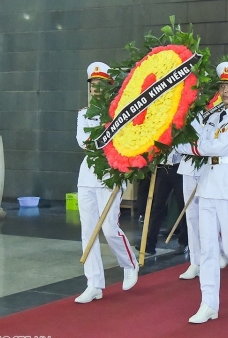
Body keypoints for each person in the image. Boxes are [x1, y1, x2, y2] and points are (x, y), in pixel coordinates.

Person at [179, 62, 228, 323]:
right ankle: (208, 302)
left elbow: (218, 147)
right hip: (209, 182)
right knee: (209, 247)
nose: (225, 90)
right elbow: (201, 140)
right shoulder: (212, 116)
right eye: (222, 86)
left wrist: (190, 147)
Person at [75, 62, 138, 303]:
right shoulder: (83, 114)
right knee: (87, 232)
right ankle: (94, 283)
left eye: (101, 84)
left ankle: (129, 263)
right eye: (93, 84)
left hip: (110, 175)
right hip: (87, 177)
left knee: (110, 229)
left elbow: (116, 144)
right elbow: (85, 142)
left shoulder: (118, 116)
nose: (96, 89)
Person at [135, 151, 188, 256]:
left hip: (180, 168)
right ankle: (150, 244)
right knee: (157, 208)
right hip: (163, 168)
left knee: (183, 208)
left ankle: (184, 242)